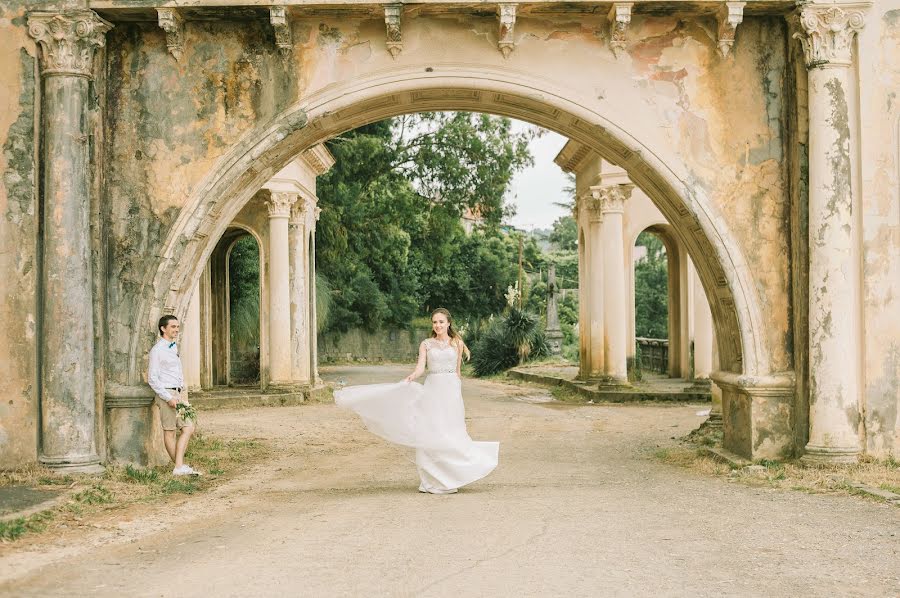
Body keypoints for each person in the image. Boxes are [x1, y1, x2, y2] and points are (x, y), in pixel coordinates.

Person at [335, 308, 498, 494]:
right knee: (431, 430)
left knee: (452, 431)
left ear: (449, 323)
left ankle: (452, 477)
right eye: (434, 322)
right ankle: (432, 479)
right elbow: (421, 368)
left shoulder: (457, 343)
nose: (437, 325)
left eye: (441, 322)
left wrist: (456, 392)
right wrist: (411, 377)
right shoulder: (426, 344)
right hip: (433, 388)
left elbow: (458, 372)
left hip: (451, 391)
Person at [148, 315, 201, 476]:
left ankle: (179, 466)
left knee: (189, 427)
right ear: (163, 329)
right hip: (166, 393)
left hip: (177, 393)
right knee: (170, 431)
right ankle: (179, 467)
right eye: (173, 327)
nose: (176, 329)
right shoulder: (157, 350)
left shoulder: (173, 347)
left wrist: (179, 393)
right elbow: (152, 378)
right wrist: (168, 397)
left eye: (177, 326)